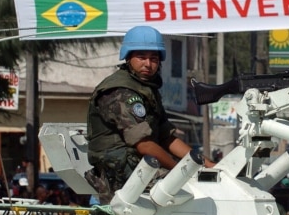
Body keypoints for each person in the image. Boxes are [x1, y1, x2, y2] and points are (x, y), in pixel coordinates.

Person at [84, 26, 215, 204]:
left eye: (154, 58)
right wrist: (181, 172)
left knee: (207, 184)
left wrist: (209, 166)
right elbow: (144, 144)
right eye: (141, 57)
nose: (148, 64)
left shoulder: (146, 89)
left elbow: (167, 137)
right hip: (120, 174)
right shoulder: (120, 91)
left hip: (139, 165)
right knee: (190, 192)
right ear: (128, 57)